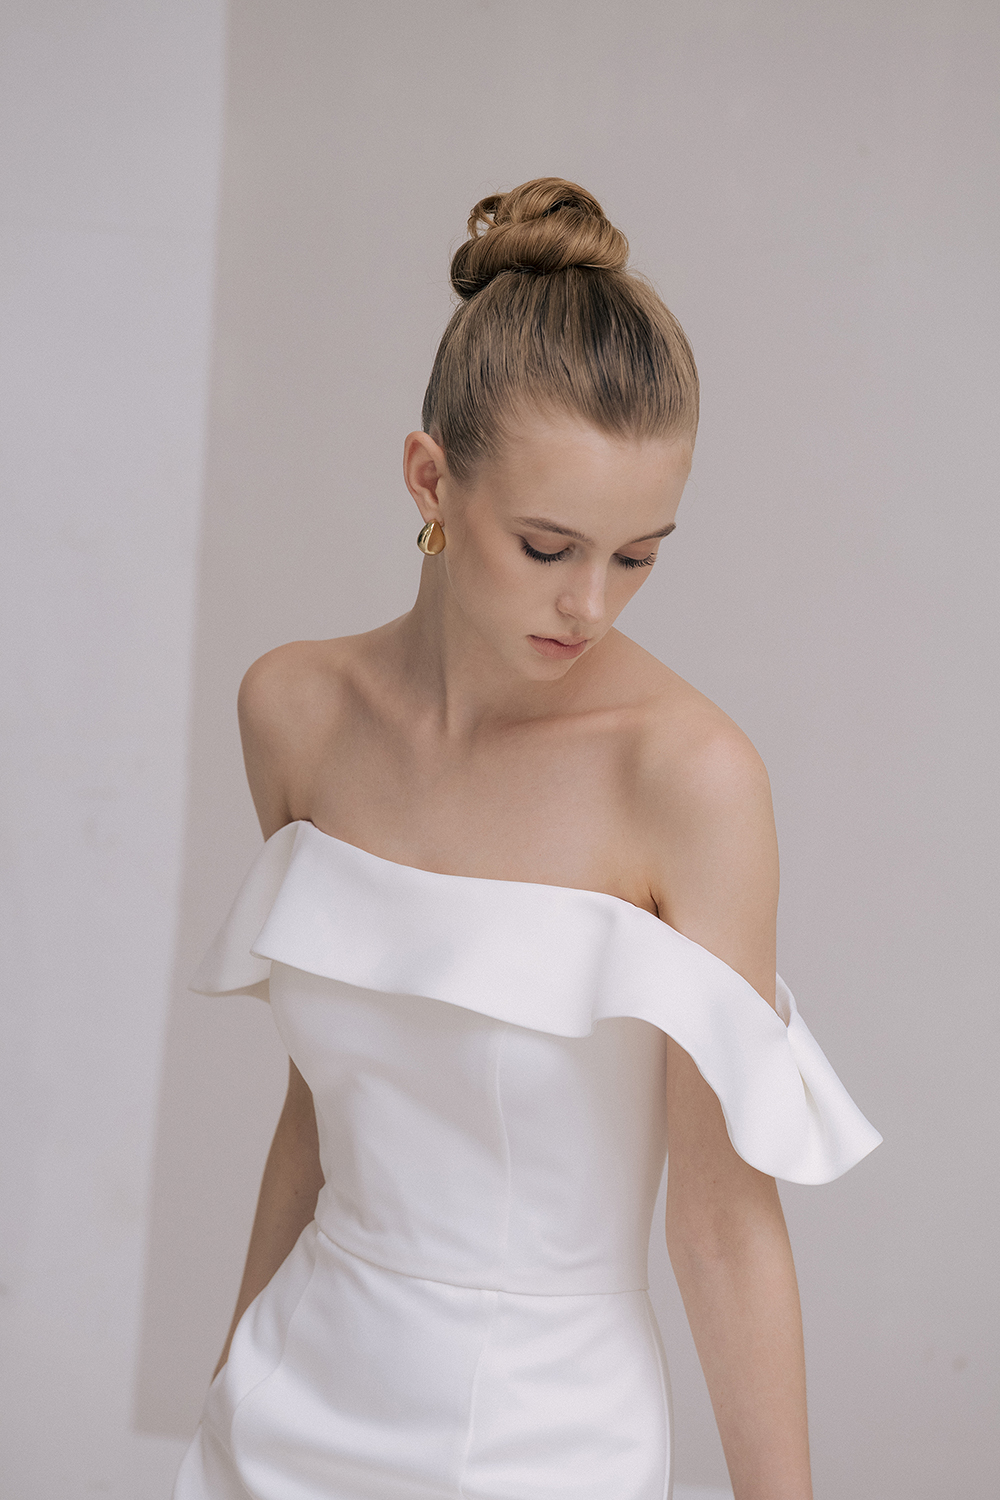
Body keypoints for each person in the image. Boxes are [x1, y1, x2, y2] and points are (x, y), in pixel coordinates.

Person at [172, 178, 880, 1500]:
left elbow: (724, 1225)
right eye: (548, 546)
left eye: (638, 556)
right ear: (429, 478)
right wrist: (228, 1371)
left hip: (546, 1446)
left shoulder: (690, 779)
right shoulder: (295, 711)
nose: (590, 605)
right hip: (282, 1417)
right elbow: (320, 1106)